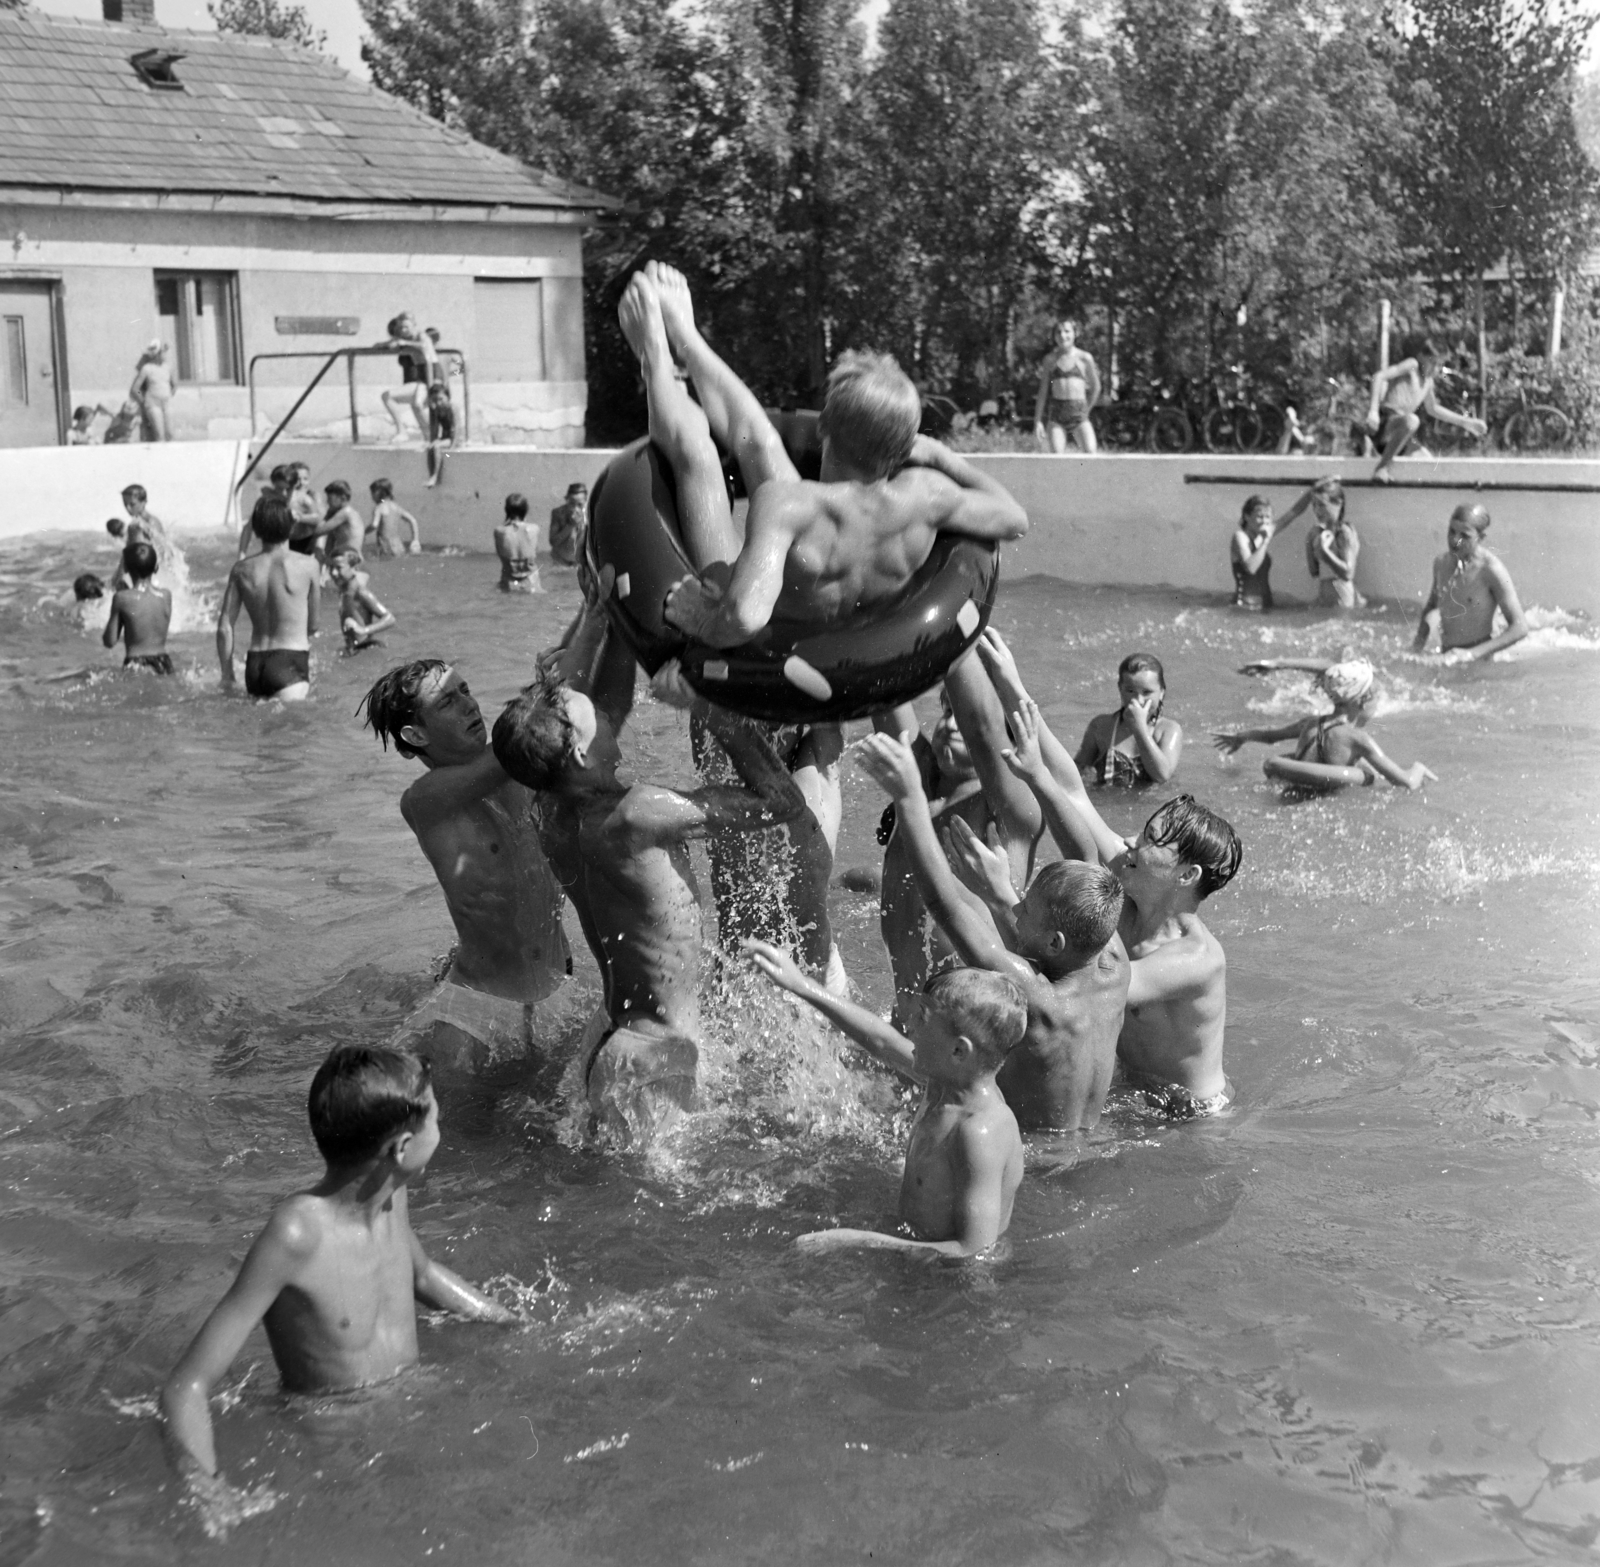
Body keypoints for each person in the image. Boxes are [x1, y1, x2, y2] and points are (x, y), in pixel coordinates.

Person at [622, 262, 1026, 987]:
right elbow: (1012, 516)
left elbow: (746, 614)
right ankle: (680, 334)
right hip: (832, 691)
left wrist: (696, 629)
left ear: (826, 430)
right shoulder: (925, 496)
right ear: (904, 445)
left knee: (700, 463)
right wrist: (932, 452)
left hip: (753, 684)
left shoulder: (788, 503)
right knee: (801, 858)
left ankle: (664, 345)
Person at [160, 1045, 513, 1515]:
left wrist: (503, 1320)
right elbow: (187, 1386)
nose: (442, 1132)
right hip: (337, 1460)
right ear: (401, 1149)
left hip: (414, 1421)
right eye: (437, 1122)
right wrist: (208, 1494)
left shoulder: (392, 1196)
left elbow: (422, 1275)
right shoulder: (296, 1234)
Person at [492, 660, 805, 1144]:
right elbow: (782, 801)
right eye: (590, 710)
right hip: (653, 1058)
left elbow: (611, 707)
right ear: (578, 752)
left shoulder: (553, 814)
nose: (607, 710)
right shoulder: (639, 813)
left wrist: (619, 623)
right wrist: (715, 712)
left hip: (611, 1039)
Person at [965, 630, 1240, 1117]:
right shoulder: (1132, 888)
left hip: (1191, 1117)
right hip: (1137, 1092)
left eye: (1153, 841)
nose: (1132, 842)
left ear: (1185, 873)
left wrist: (1002, 896)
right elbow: (1074, 793)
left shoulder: (1196, 959)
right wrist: (1012, 687)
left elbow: (1085, 992)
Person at [855, 728, 1129, 1135]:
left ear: (1055, 943)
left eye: (1026, 909)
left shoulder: (1035, 997)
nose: (1016, 908)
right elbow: (1088, 859)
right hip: (1083, 1142)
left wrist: (910, 797)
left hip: (1033, 1161)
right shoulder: (1114, 966)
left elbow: (942, 904)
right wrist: (1036, 775)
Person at [746, 944, 1027, 1256]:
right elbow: (880, 1040)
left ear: (959, 1051)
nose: (908, 1026)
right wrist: (802, 986)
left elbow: (974, 1252)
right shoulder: (946, 1081)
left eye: (922, 1018)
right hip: (917, 1254)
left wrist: (853, 1240)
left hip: (948, 1288)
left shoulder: (980, 1132)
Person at [360, 661, 572, 1071]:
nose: (469, 705)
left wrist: (596, 618)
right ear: (415, 735)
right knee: (465, 1132)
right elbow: (535, 726)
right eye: (446, 702)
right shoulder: (425, 798)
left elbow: (565, 712)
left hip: (557, 987)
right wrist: (557, 683)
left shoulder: (517, 767)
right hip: (478, 1012)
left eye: (466, 689)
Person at [1214, 658, 1437, 791]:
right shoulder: (1358, 739)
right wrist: (1418, 768)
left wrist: (1240, 737)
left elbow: (1271, 736)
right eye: (1376, 700)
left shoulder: (1309, 723)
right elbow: (1405, 783)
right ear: (1362, 701)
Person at [216, 493, 320, 701]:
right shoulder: (309, 565)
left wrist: (228, 675)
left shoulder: (241, 569)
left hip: (255, 667)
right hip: (290, 661)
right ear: (291, 527)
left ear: (255, 529)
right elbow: (313, 626)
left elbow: (224, 627)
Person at [1412, 503, 1528, 662]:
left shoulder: (1491, 570)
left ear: (1481, 538)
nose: (1455, 541)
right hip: (1447, 657)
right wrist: (1416, 647)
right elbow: (1431, 606)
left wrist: (1472, 654)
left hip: (1478, 660)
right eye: (1451, 531)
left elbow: (1520, 627)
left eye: (1464, 536)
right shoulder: (1441, 563)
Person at [1367, 338, 1486, 481]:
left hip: (1401, 435)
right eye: (1433, 363)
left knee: (1429, 462)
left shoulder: (1428, 382)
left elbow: (1433, 408)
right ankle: (1381, 468)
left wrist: (1466, 422)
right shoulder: (1412, 365)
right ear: (1422, 357)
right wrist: (1373, 411)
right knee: (1412, 420)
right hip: (1386, 424)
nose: (1435, 368)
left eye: (1439, 365)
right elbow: (1378, 377)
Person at [1074, 652, 1183, 787]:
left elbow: (1162, 776)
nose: (1138, 700)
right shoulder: (1101, 726)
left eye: (1147, 692)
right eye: (1130, 691)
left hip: (1149, 806)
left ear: (1162, 692)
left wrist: (1139, 728)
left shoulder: (1168, 730)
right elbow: (1077, 771)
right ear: (1120, 689)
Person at [102, 540, 173, 673]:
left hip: (137, 665)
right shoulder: (166, 596)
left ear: (127, 569)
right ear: (156, 567)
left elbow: (109, 641)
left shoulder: (122, 598)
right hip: (164, 663)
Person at [1032, 318, 1101, 454]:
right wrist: (1038, 421)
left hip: (1079, 414)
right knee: (1057, 459)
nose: (1063, 335)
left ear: (1075, 333)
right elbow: (1043, 391)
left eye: (1067, 331)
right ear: (1054, 336)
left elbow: (1096, 387)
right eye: (1058, 332)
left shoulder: (1084, 358)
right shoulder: (1050, 360)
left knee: (1091, 453)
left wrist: (1087, 409)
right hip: (1057, 415)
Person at [1301, 477, 1364, 609]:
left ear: (1339, 504)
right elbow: (1314, 571)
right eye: (1315, 505)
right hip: (1325, 597)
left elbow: (1348, 573)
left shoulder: (1344, 533)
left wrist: (1325, 553)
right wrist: (1310, 542)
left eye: (1322, 505)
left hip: (1342, 599)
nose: (1317, 511)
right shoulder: (1319, 533)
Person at [380, 313, 438, 442]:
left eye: (406, 327)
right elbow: (390, 344)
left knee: (417, 404)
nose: (403, 330)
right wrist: (382, 345)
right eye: (401, 328)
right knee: (415, 405)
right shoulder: (407, 342)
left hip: (434, 379)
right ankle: (429, 436)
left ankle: (429, 434)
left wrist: (453, 373)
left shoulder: (445, 351)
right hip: (420, 380)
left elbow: (461, 367)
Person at [330, 552, 396, 652]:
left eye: (339, 567)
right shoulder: (344, 592)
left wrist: (363, 630)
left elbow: (390, 619)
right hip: (353, 648)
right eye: (331, 567)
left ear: (354, 568)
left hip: (365, 647)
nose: (333, 572)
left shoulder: (360, 592)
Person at [1229, 495, 1277, 611]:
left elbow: (1292, 514)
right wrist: (1265, 541)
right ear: (1247, 516)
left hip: (1265, 604)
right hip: (1245, 606)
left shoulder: (1263, 533)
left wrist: (1312, 491)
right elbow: (1250, 568)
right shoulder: (1240, 537)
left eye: (1268, 517)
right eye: (1260, 517)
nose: (1264, 521)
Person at [495, 494, 541, 593]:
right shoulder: (534, 528)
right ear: (526, 509)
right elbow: (535, 552)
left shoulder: (499, 531)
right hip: (530, 580)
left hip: (509, 581)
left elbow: (501, 554)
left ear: (506, 509)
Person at [131, 340, 174, 442]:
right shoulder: (147, 368)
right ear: (157, 353)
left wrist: (168, 395)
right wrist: (143, 400)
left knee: (170, 433)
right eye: (163, 352)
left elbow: (174, 385)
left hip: (166, 403)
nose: (165, 354)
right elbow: (135, 389)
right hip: (153, 404)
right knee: (160, 435)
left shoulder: (168, 367)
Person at [367, 478, 421, 557]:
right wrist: (415, 540)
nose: (371, 496)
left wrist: (363, 532)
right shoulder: (395, 507)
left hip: (385, 546)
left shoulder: (379, 508)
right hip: (398, 546)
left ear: (380, 493)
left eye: (372, 492)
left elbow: (374, 525)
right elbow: (413, 520)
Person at [548, 483, 587, 568]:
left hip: (581, 563)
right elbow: (553, 542)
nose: (575, 508)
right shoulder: (558, 513)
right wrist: (570, 525)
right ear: (566, 500)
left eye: (580, 505)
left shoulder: (590, 515)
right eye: (572, 504)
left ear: (586, 502)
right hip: (560, 560)